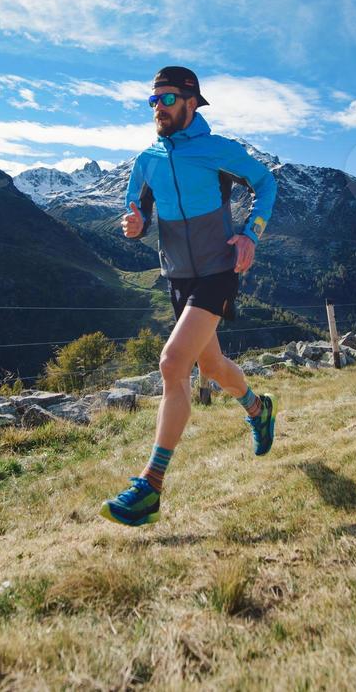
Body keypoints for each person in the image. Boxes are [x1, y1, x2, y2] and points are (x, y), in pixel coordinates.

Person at [100, 66, 279, 527]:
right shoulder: (147, 159)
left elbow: (266, 184)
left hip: (219, 268)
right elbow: (133, 205)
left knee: (171, 364)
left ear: (192, 102)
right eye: (152, 100)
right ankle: (258, 409)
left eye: (167, 99)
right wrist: (135, 223)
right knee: (212, 367)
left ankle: (150, 486)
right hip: (178, 275)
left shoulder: (219, 151)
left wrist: (250, 235)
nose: (157, 108)